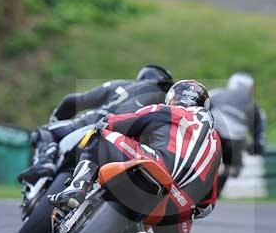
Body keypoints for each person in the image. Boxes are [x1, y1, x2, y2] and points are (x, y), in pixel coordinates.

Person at [49, 80, 222, 233]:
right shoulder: (216, 143)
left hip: (152, 164)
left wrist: (104, 123)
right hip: (180, 204)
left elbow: (115, 123)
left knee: (101, 134)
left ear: (172, 98)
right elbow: (207, 204)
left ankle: (77, 189)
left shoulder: (164, 110)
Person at [17, 65, 173, 183]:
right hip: (131, 148)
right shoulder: (168, 105)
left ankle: (45, 161)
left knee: (45, 131)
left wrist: (56, 120)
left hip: (97, 123)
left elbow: (73, 101)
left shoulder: (122, 85)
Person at [209, 72, 266, 193]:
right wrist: (257, 145)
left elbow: (198, 106)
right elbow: (259, 129)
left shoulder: (216, 93)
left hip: (214, 134)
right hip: (235, 141)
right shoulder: (252, 104)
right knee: (234, 168)